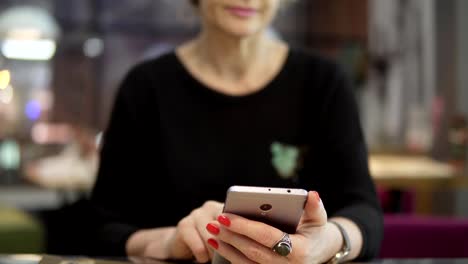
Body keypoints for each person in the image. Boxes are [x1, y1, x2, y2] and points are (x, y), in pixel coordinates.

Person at [89, 0, 383, 263]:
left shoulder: (323, 83)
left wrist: (327, 242)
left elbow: (364, 211)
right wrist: (168, 242)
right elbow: (102, 226)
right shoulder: (146, 87)